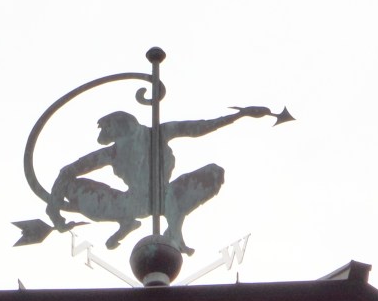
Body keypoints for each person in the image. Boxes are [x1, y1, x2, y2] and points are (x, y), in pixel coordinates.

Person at [46, 106, 274, 255]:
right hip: (133, 203)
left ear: (117, 125)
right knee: (75, 186)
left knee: (213, 172)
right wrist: (54, 209)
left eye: (106, 128)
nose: (103, 134)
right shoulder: (112, 152)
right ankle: (136, 224)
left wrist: (238, 116)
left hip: (165, 196)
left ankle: (172, 232)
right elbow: (68, 171)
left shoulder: (157, 134)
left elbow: (200, 127)